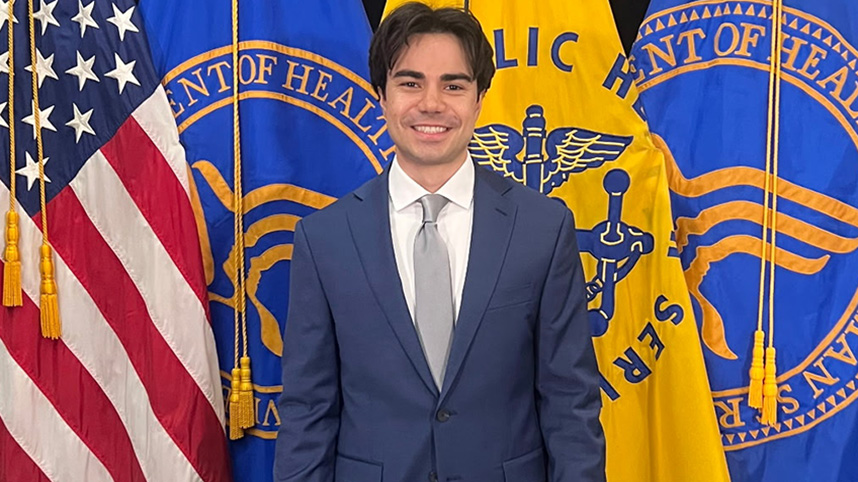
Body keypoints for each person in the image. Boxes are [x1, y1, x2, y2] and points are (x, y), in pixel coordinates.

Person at [274, 3, 605, 481]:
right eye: (410, 83)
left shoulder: (543, 228)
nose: (431, 103)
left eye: (453, 85)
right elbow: (308, 412)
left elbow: (571, 405)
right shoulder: (324, 238)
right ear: (381, 96)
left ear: (479, 98)